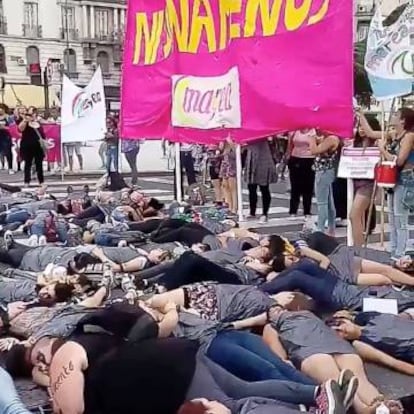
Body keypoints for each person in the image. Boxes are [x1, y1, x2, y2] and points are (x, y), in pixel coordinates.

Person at [264, 306, 402, 414]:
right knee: (338, 380)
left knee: (357, 377)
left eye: (279, 306)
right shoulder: (271, 326)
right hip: (308, 349)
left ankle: (381, 406)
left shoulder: (308, 313)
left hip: (335, 344)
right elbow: (278, 353)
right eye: (272, 310)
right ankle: (364, 409)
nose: (276, 308)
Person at [359, 108, 414, 259]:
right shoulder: (394, 134)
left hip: (405, 180)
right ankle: (394, 251)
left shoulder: (409, 136)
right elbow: (370, 133)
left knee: (400, 218)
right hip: (393, 180)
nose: (393, 117)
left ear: (403, 120)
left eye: (397, 115)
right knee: (392, 218)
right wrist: (361, 115)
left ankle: (400, 254)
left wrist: (382, 149)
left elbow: (399, 160)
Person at [330, 310, 414, 375]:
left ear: (346, 320)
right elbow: (392, 362)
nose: (341, 329)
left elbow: (398, 319)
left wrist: (350, 314)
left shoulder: (368, 317)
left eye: (339, 324)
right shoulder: (360, 345)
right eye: (337, 332)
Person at [349, 117, 380, 246]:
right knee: (360, 216)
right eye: (359, 126)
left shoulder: (377, 142)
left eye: (364, 126)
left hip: (368, 183)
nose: (361, 129)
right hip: (355, 181)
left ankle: (358, 250)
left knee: (354, 214)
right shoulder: (354, 143)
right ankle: (360, 244)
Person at [310, 131, 340, 236]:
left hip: (323, 171)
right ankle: (331, 229)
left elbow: (314, 150)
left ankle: (320, 229)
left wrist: (311, 139)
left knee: (322, 203)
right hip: (326, 171)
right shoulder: (330, 138)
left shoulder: (331, 139)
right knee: (329, 202)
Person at [244, 138, 278, 223]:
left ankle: (264, 213)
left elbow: (271, 140)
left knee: (264, 188)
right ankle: (252, 212)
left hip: (263, 158)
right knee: (251, 188)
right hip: (251, 157)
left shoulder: (263, 133)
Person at [288, 129, 316, 219]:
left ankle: (307, 212)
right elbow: (290, 145)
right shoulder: (294, 131)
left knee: (308, 187)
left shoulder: (313, 131)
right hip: (295, 158)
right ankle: (293, 211)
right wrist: (287, 156)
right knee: (295, 186)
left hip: (309, 159)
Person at [18, 106, 45, 188]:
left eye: (32, 113)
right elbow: (20, 129)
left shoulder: (38, 123)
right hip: (27, 146)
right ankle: (27, 181)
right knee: (28, 164)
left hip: (38, 146)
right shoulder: (25, 122)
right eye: (29, 113)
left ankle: (41, 181)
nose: (31, 115)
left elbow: (42, 134)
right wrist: (25, 120)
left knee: (39, 164)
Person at [219, 138, 237, 214]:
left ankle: (234, 208)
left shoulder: (234, 141)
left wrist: (230, 141)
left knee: (232, 187)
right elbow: (220, 149)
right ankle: (229, 206)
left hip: (231, 165)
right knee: (225, 186)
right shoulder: (224, 143)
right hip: (225, 165)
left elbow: (236, 153)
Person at [0, 105, 13, 174]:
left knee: (8, 152)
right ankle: (2, 164)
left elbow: (13, 128)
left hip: (6, 137)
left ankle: (10, 168)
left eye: (1, 109)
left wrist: (5, 127)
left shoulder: (8, 117)